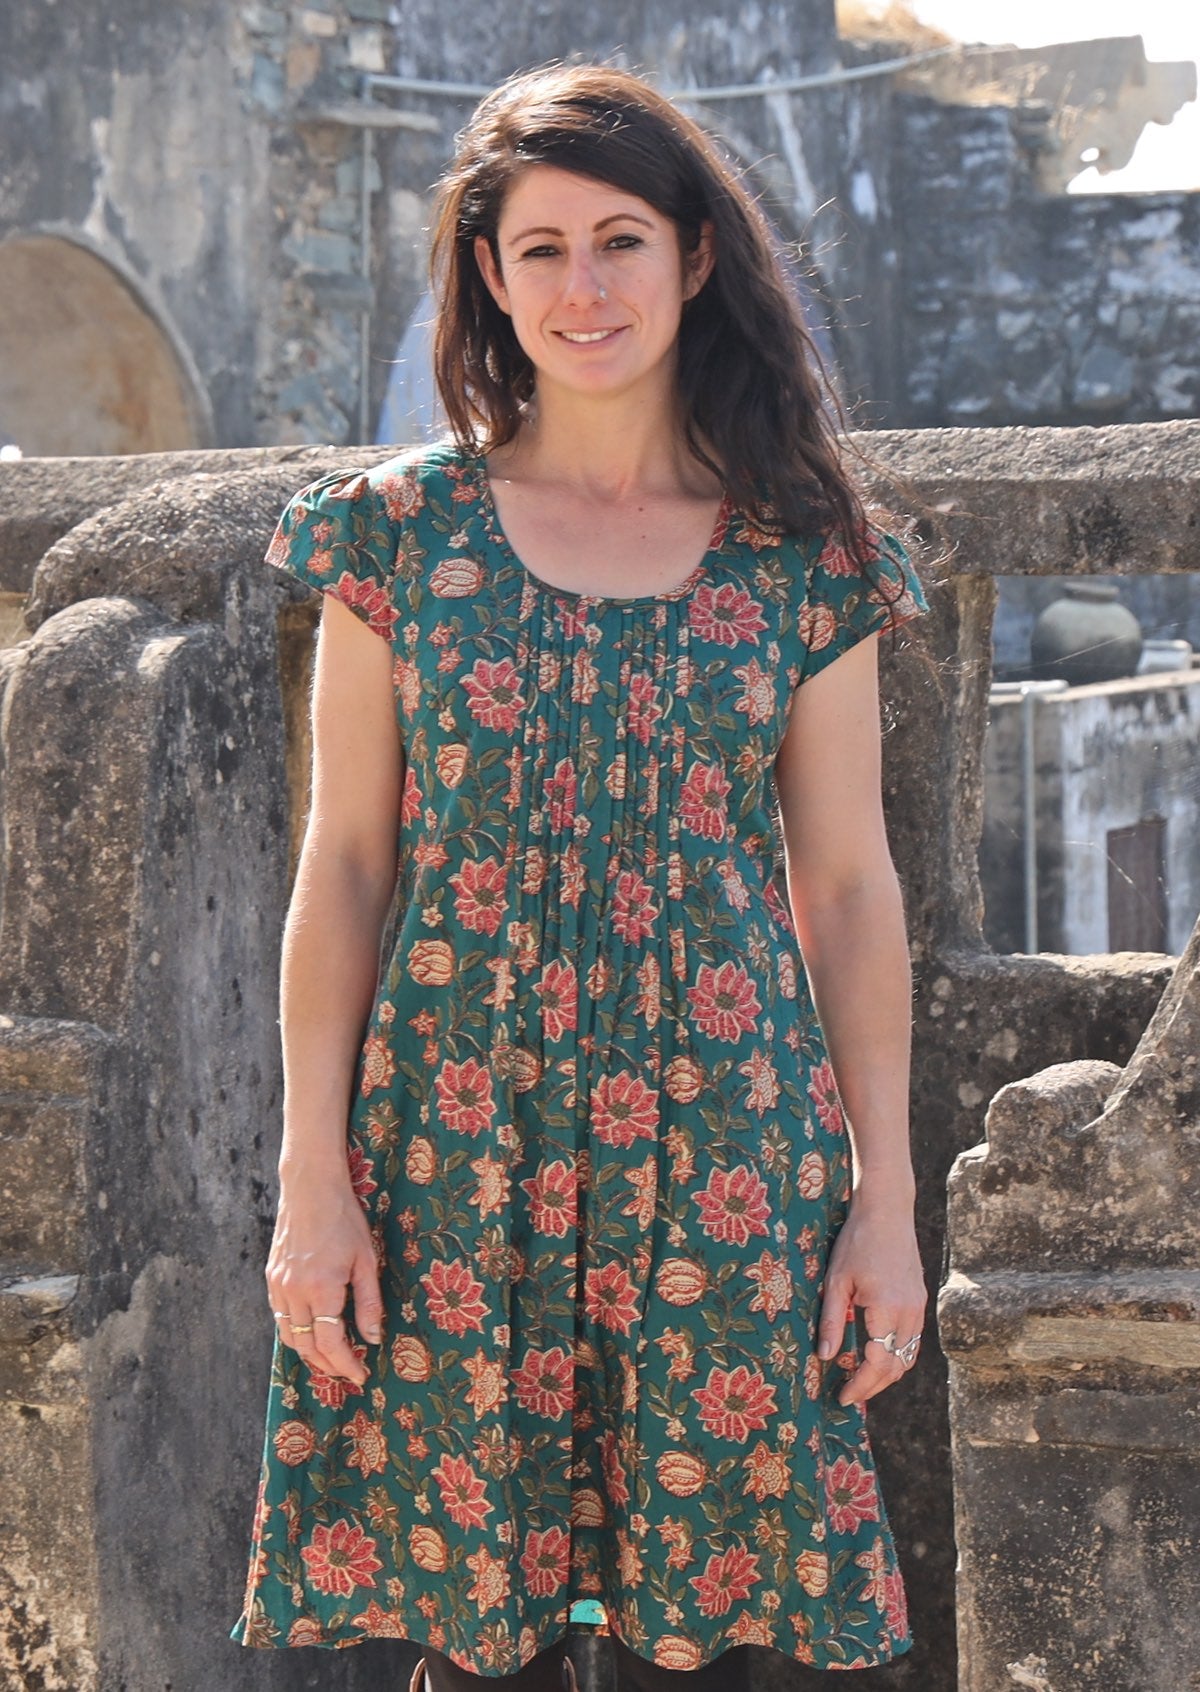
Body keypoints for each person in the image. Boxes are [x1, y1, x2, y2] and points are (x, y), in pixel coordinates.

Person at [232, 60, 929, 1692]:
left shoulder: (801, 552)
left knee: (725, 1645)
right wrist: (310, 1178)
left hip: (728, 1148)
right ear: (488, 275)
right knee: (479, 1647)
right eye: (539, 249)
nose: (584, 287)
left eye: (622, 239)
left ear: (697, 257)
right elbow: (340, 867)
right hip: (452, 1143)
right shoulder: (393, 537)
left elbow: (845, 884)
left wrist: (886, 1205)